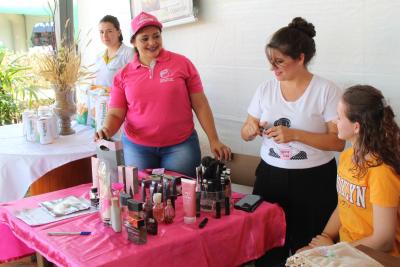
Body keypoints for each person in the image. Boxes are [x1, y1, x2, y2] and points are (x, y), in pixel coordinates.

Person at [241, 17, 345, 266]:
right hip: (270, 177)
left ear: (300, 58)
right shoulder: (266, 89)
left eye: (279, 62)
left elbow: (338, 143)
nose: (273, 69)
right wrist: (251, 128)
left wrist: (295, 134)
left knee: (309, 250)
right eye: (271, 62)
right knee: (268, 246)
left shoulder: (326, 90)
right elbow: (246, 130)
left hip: (314, 180)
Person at [95, 12, 231, 177]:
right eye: (145, 38)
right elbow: (116, 113)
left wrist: (214, 139)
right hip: (137, 148)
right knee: (142, 198)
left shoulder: (182, 64)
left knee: (182, 196)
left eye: (156, 36)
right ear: (133, 42)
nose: (152, 43)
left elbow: (200, 104)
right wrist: (106, 130)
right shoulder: (123, 75)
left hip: (181, 147)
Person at [299, 85, 400, 256]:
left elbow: (383, 240)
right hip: (346, 249)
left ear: (356, 127)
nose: (333, 122)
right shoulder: (347, 157)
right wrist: (323, 238)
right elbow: (343, 205)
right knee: (299, 254)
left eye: (339, 117)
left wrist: (331, 251)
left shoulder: (381, 172)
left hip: (375, 258)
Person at [94, 15, 134, 88]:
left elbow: (133, 84)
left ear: (119, 32)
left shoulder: (130, 53)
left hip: (119, 98)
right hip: (98, 98)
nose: (104, 35)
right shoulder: (99, 57)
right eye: (101, 32)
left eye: (109, 31)